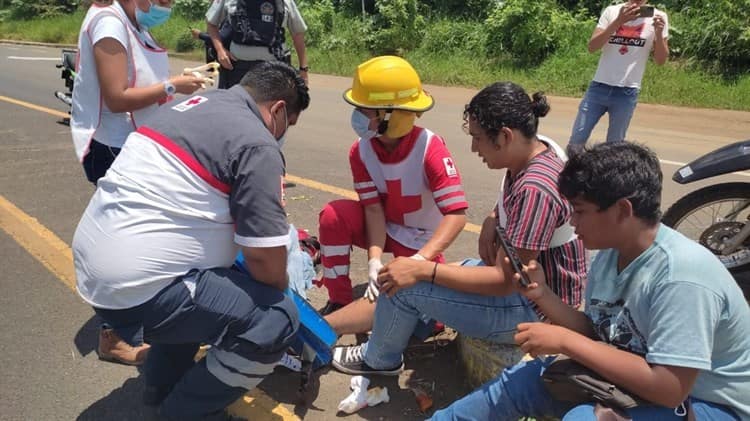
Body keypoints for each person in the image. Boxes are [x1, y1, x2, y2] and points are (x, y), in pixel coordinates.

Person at [429, 142, 750, 420]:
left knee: (586, 418)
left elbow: (669, 388)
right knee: (523, 381)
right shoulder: (613, 253)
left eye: (579, 211)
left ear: (622, 211)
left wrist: (566, 342)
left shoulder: (681, 277)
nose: (571, 221)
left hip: (711, 405)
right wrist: (543, 296)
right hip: (646, 381)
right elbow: (604, 332)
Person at [72, 61, 310, 420]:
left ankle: (159, 395)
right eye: (287, 125)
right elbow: (265, 263)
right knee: (276, 319)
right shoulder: (257, 142)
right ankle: (186, 413)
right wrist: (281, 303)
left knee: (206, 290)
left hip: (96, 266)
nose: (281, 134)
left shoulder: (191, 107)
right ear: (278, 109)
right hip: (138, 287)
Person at [331, 82, 587, 376]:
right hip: (528, 293)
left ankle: (378, 359)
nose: (473, 148)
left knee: (407, 285)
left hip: (533, 310)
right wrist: (493, 216)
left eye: (478, 139)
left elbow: (505, 281)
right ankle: (330, 327)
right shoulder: (536, 147)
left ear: (504, 136)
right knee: (410, 279)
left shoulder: (536, 189)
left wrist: (423, 269)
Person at [70, 0, 204, 365]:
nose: (166, 6)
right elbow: (116, 98)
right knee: (128, 234)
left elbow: (140, 78)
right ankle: (112, 336)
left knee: (140, 232)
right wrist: (172, 87)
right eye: (160, 0)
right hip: (112, 145)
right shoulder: (110, 24)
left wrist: (174, 83)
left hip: (129, 140)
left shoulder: (130, 21)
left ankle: (136, 320)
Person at [317, 55, 468, 332]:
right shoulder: (361, 151)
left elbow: (456, 215)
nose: (357, 116)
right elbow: (372, 209)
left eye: (365, 110)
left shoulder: (430, 149)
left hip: (422, 239)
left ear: (391, 115)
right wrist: (374, 259)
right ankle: (339, 301)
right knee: (333, 216)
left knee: (425, 320)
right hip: (386, 228)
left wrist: (420, 261)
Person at [567, 0, 669, 156]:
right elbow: (592, 47)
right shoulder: (612, 12)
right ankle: (572, 178)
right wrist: (618, 22)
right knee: (575, 144)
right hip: (598, 87)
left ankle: (605, 181)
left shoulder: (658, 17)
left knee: (614, 150)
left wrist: (659, 34)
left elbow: (660, 61)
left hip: (627, 92)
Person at [206, 0, 309, 88]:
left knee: (273, 109)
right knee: (236, 108)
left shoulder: (284, 2)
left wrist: (303, 70)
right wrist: (220, 50)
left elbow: (298, 34)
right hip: (238, 69)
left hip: (274, 69)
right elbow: (211, 23)